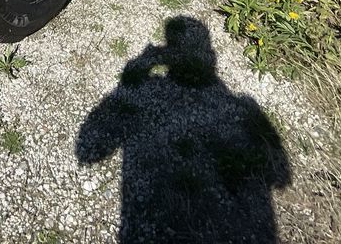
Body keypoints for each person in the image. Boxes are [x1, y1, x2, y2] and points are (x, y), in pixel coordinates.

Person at [76, 15, 290, 243]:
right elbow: (280, 177)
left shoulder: (233, 103)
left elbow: (88, 152)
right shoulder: (238, 104)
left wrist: (136, 71)